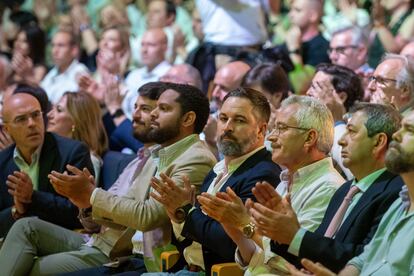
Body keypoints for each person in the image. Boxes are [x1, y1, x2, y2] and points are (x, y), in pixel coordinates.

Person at [0, 82, 217, 275]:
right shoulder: (157, 154)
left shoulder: (195, 158)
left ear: (188, 118)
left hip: (135, 254)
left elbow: (148, 216)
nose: (152, 115)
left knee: (31, 267)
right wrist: (86, 203)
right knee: (26, 227)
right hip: (102, 239)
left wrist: (92, 195)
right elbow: (121, 206)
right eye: (149, 108)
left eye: (163, 109)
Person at [199, 95, 344, 275]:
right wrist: (233, 226)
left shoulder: (327, 188)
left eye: (281, 128)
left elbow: (297, 263)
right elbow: (256, 258)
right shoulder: (286, 180)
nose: (272, 137)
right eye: (274, 128)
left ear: (309, 138)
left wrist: (245, 224)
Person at [148, 88, 282, 275]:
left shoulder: (263, 174)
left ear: (261, 130)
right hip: (184, 268)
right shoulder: (218, 168)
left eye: (239, 120)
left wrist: (187, 212)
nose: (227, 127)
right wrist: (177, 215)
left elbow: (229, 243)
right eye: (223, 118)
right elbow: (192, 238)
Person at [267, 103, 404, 273]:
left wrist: (295, 236)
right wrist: (281, 234)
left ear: (378, 141)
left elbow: (365, 258)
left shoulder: (395, 193)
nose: (340, 140)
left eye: (351, 132)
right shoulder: (345, 190)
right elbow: (318, 250)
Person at [0, 86, 93, 237]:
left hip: (63, 238)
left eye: (36, 115)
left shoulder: (72, 152)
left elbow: (81, 213)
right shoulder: (1, 162)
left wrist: (33, 197)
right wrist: (17, 210)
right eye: (21, 119)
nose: (31, 123)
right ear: (6, 129)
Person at [307, 63, 364, 179]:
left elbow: (356, 174)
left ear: (341, 97)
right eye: (310, 86)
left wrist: (337, 121)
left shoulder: (356, 131)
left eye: (316, 87)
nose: (308, 92)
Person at [47, 91, 108, 182]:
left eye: (59, 110)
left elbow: (84, 195)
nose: (49, 115)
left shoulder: (89, 160)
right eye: (52, 108)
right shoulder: (49, 149)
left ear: (76, 120)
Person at [123, 28, 171, 119]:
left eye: (151, 45)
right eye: (142, 45)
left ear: (165, 47)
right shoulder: (133, 75)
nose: (144, 50)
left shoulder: (172, 75)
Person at [40, 30, 89, 104]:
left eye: (60, 45)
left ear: (74, 50)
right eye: (53, 45)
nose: (54, 51)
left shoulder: (80, 71)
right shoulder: (53, 72)